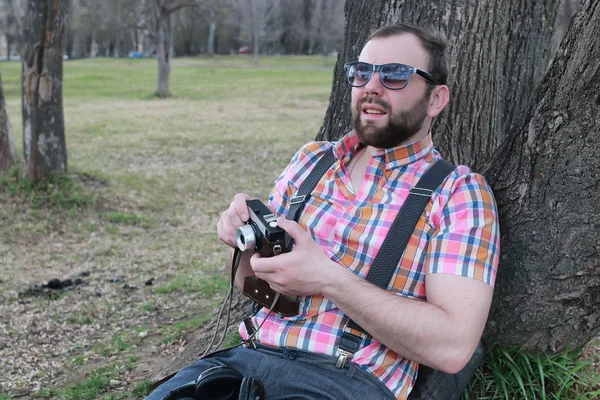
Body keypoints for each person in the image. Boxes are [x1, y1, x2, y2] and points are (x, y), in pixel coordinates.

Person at [147, 23, 500, 400]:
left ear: (436, 99)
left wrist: (328, 279)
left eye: (395, 75)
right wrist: (243, 242)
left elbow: (453, 348)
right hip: (244, 363)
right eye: (361, 73)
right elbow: (250, 283)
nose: (371, 87)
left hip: (344, 381)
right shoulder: (312, 161)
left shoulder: (458, 194)